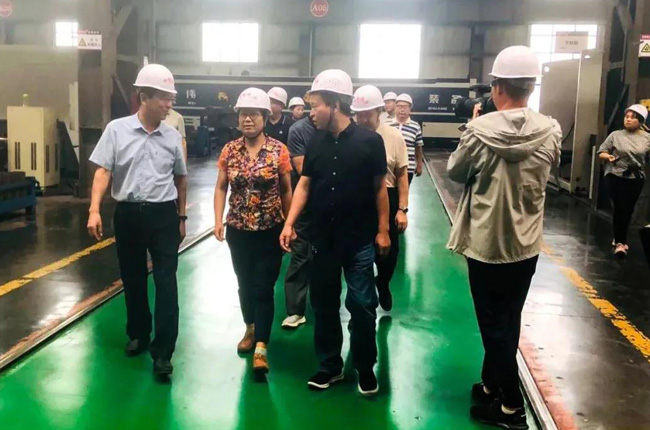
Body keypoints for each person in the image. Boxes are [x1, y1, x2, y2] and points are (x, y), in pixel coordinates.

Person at [446, 45, 561, 429]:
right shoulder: (551, 129)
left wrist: (473, 127)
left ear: (497, 88)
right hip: (526, 245)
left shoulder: (478, 132)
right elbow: (552, 167)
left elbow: (456, 172)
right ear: (531, 87)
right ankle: (492, 384)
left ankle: (512, 407)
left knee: (494, 326)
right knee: (509, 318)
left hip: (486, 244)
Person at [279, 69, 391, 396]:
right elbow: (305, 184)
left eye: (315, 105)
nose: (311, 112)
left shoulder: (370, 142)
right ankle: (329, 365)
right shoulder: (315, 142)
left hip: (359, 242)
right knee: (324, 305)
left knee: (363, 305)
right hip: (322, 241)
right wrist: (289, 223)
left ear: (335, 104)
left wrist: (383, 230)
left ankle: (365, 367)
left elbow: (380, 189)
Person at [87, 64, 188, 379]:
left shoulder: (172, 136)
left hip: (163, 215)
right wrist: (94, 209)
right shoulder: (116, 130)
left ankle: (164, 351)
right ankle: (139, 334)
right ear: (144, 97)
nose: (169, 105)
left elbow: (181, 178)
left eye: (171, 99)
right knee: (133, 278)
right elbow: (103, 170)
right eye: (164, 98)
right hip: (128, 214)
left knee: (166, 282)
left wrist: (181, 216)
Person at [213, 88, 293, 377]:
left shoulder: (279, 151)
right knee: (244, 284)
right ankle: (250, 327)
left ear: (264, 118)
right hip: (238, 230)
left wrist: (289, 224)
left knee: (263, 286)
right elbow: (221, 186)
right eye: (243, 115)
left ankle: (261, 345)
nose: (248, 119)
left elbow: (286, 189)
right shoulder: (229, 150)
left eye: (254, 114)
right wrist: (218, 219)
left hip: (269, 229)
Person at [352, 85, 409, 312]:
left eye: (368, 114)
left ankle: (383, 283)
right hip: (359, 199)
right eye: (359, 115)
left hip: (388, 196)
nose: (363, 119)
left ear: (379, 111)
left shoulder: (394, 137)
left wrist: (402, 209)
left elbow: (402, 175)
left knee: (389, 254)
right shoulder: (349, 137)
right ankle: (363, 304)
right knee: (360, 255)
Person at [282, 111, 320, 329]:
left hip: (333, 205)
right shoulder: (298, 130)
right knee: (300, 255)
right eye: (311, 106)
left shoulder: (340, 130)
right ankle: (296, 310)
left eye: (318, 105)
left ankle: (325, 306)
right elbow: (303, 169)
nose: (314, 112)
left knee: (329, 258)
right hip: (304, 204)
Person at [597, 104, 650, 257]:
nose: (628, 120)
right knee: (620, 207)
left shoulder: (647, 138)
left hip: (635, 177)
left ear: (641, 121)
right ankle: (621, 243)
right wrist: (608, 157)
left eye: (633, 118)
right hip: (615, 174)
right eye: (627, 117)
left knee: (628, 209)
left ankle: (619, 236)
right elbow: (601, 151)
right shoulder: (616, 135)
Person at [389, 94, 423, 183]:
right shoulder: (387, 124)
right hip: (389, 168)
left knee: (404, 191)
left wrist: (419, 165)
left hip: (408, 168)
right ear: (395, 108)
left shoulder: (415, 126)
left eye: (405, 107)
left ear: (410, 109)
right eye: (399, 106)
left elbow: (418, 148)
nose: (402, 109)